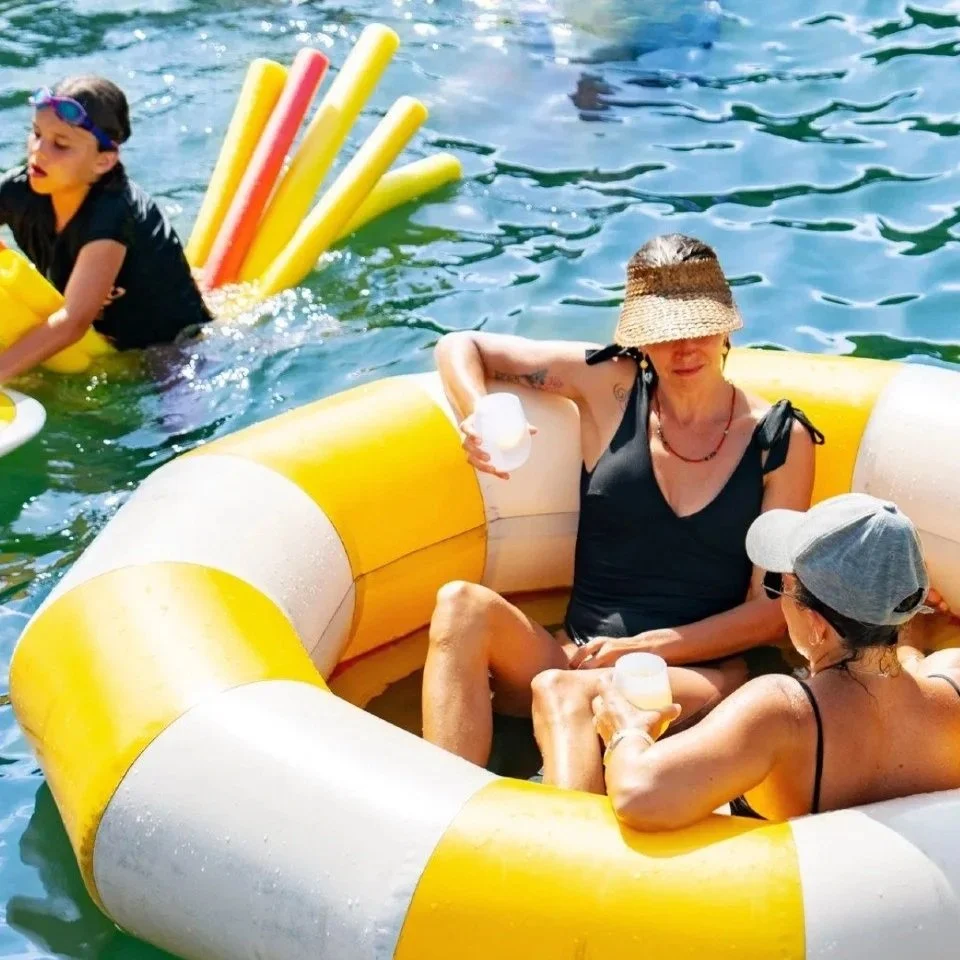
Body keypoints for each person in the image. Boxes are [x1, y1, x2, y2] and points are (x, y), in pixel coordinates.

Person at [422, 233, 823, 776]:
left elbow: (772, 610)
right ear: (640, 338)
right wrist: (479, 413)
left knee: (565, 690)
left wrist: (647, 647)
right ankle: (444, 813)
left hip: (700, 676)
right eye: (664, 333)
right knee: (460, 605)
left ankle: (560, 848)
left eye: (699, 327)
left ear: (726, 324)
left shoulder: (779, 439)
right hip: (576, 656)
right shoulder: (607, 386)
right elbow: (460, 346)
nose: (684, 348)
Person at [589, 493, 960, 829]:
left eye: (780, 586)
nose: (779, 601)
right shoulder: (951, 683)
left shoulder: (784, 713)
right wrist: (913, 643)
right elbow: (904, 671)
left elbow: (638, 797)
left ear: (816, 626)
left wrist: (625, 731)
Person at [0, 76, 211, 381]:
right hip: (96, 339)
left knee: (178, 422)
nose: (38, 151)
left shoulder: (111, 215)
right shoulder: (21, 190)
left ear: (103, 161)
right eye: (36, 134)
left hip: (167, 345)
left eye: (60, 144)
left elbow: (73, 322)